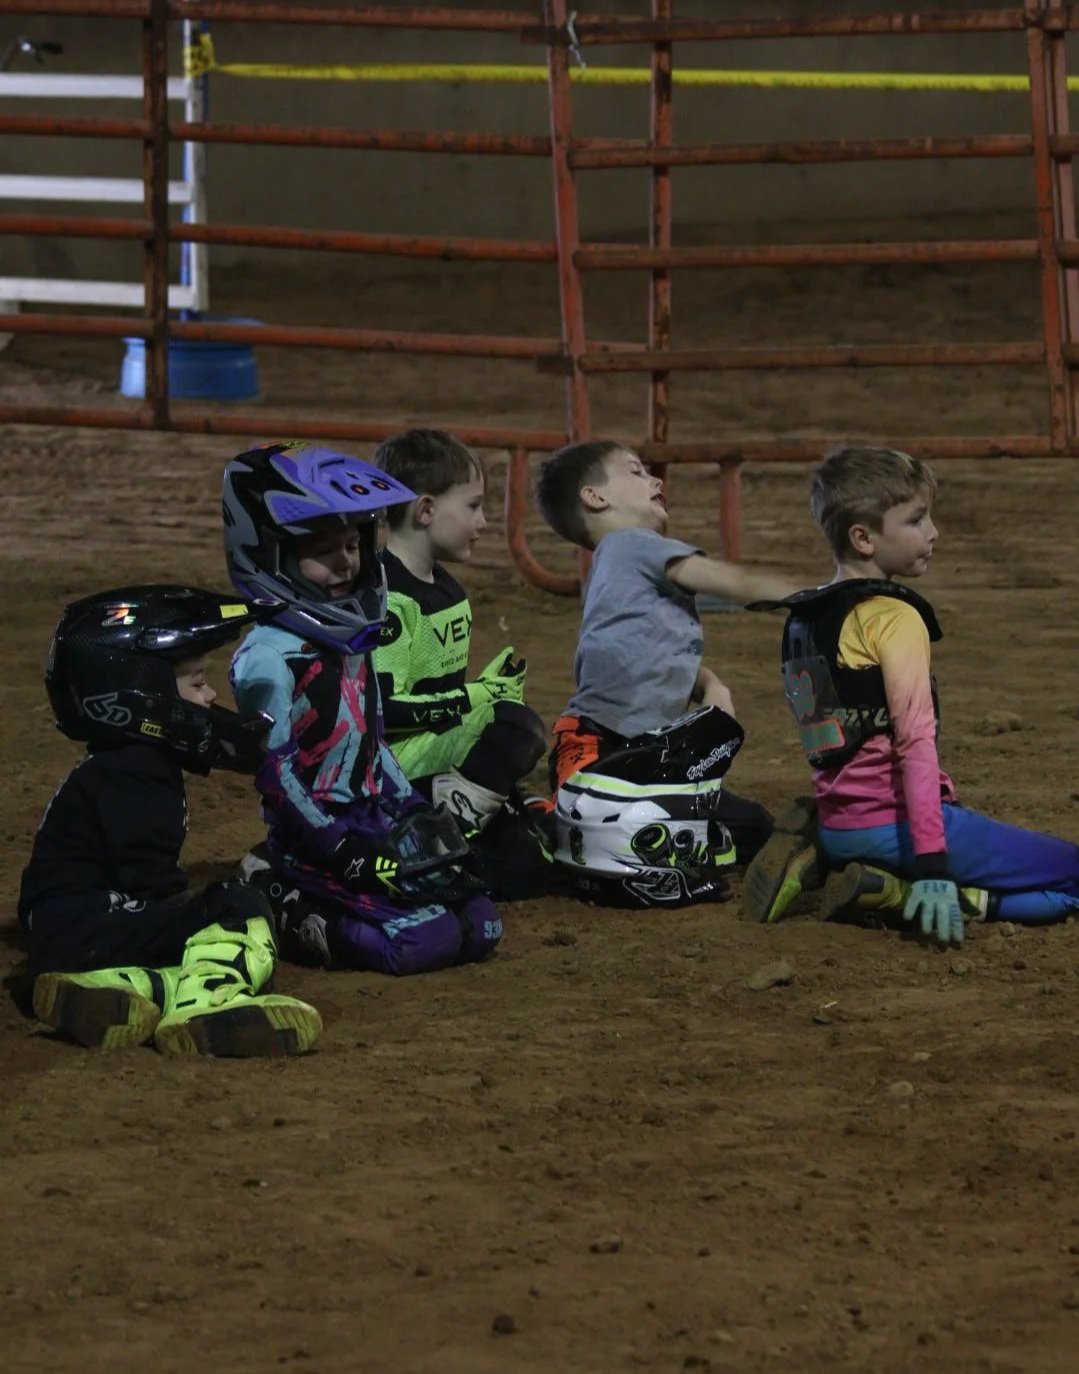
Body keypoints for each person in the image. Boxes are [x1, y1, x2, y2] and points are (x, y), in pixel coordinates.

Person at [742, 444, 1079, 941]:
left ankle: (838, 857)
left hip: (841, 821)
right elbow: (914, 743)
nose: (933, 532)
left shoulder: (805, 617)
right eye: (917, 520)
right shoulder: (893, 618)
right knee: (1071, 871)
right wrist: (934, 864)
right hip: (897, 827)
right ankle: (922, 895)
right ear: (864, 538)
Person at [224, 440, 504, 975]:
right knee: (421, 941)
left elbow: (373, 747)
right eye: (325, 550)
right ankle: (276, 894)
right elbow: (277, 775)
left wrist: (413, 812)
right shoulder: (267, 655)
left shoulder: (354, 641)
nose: (348, 562)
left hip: (372, 817)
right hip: (315, 834)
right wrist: (337, 847)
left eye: (354, 544)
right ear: (270, 552)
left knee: (481, 923)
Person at [20, 584, 322, 1057]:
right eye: (197, 683)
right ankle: (205, 1003)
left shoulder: (116, 763)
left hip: (69, 937)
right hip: (93, 927)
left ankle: (124, 988)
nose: (211, 696)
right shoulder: (139, 772)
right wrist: (195, 914)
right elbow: (150, 886)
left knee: (187, 927)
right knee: (236, 907)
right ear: (145, 697)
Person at [533, 439, 796, 907]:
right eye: (636, 471)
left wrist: (712, 686)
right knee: (582, 840)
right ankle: (547, 819)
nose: (655, 480)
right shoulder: (634, 545)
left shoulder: (609, 565)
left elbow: (652, 653)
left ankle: (586, 825)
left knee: (748, 827)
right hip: (599, 750)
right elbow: (731, 582)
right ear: (595, 497)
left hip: (642, 757)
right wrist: (816, 596)